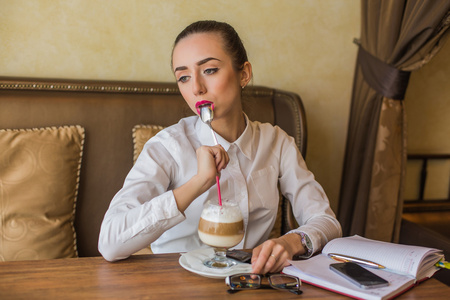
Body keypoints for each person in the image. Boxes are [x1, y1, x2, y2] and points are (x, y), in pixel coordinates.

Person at [98, 20, 341, 274]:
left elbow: (326, 221)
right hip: (174, 283)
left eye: (210, 70)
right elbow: (109, 243)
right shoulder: (166, 147)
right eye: (183, 77)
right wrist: (198, 183)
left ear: (244, 74)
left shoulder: (276, 143)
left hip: (250, 282)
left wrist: (291, 242)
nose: (196, 88)